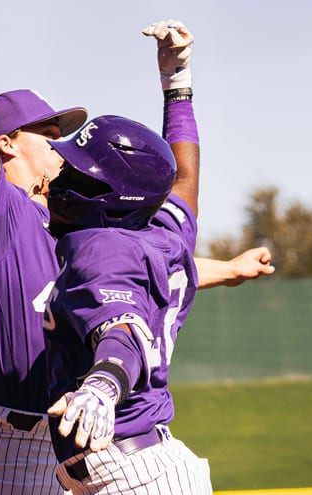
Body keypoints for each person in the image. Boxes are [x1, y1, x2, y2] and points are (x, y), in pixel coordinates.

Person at [0, 19, 272, 495]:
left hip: (93, 439)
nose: (61, 144)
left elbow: (125, 279)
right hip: (16, 442)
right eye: (48, 131)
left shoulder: (90, 227)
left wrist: (227, 269)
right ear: (4, 141)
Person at [42, 121, 209, 492]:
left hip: (131, 476)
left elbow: (123, 329)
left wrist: (104, 384)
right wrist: (177, 86)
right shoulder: (162, 232)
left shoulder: (102, 247)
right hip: (138, 467)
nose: (61, 181)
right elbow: (184, 186)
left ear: (115, 197)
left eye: (79, 176)